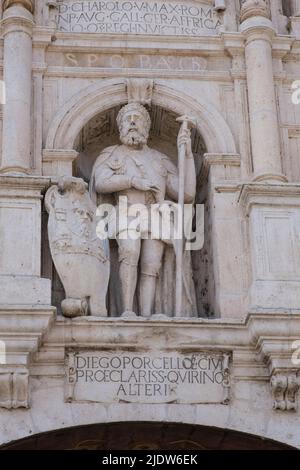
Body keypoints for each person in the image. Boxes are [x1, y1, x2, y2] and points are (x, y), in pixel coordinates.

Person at [90, 102, 196, 317]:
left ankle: (147, 315)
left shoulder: (160, 160)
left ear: (146, 127)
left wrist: (187, 155)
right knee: (129, 253)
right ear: (120, 127)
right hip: (126, 211)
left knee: (151, 264)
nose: (132, 123)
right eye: (127, 119)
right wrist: (132, 180)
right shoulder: (112, 154)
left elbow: (187, 194)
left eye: (137, 119)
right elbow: (100, 182)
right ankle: (128, 310)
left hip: (154, 213)